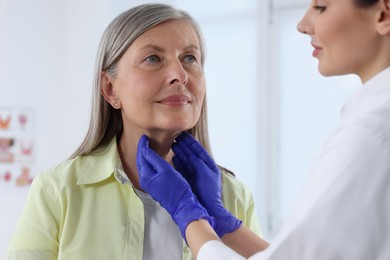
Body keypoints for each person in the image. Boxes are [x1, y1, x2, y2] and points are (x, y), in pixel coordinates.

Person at [137, 0, 390, 259]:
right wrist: (223, 224)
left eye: (321, 6)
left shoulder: (371, 137)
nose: (302, 25)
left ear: (384, 14)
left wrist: (188, 216)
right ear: (110, 89)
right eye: (153, 58)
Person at [7, 3, 262, 260]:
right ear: (110, 89)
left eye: (189, 58)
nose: (179, 75)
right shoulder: (57, 191)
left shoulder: (235, 198)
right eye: (153, 58)